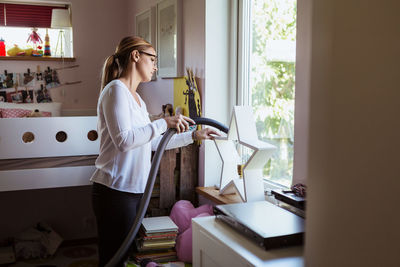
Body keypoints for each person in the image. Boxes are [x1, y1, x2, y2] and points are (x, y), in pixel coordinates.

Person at [90, 36, 219, 267]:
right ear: (135, 56)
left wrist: (193, 135)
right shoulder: (115, 90)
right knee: (113, 258)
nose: (155, 66)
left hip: (133, 191)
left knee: (125, 254)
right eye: (152, 59)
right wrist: (164, 122)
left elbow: (150, 143)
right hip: (114, 191)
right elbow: (124, 140)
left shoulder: (138, 99)